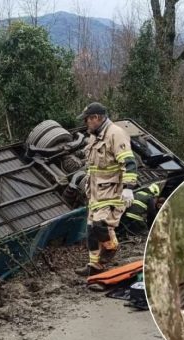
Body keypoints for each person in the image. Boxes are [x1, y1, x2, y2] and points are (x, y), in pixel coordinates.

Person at [74, 102, 138, 277]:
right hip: (96, 192)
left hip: (112, 191)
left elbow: (129, 162)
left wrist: (128, 188)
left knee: (100, 226)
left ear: (96, 118)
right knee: (90, 229)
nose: (86, 123)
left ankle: (111, 248)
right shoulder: (95, 136)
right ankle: (95, 265)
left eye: (87, 119)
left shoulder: (116, 134)